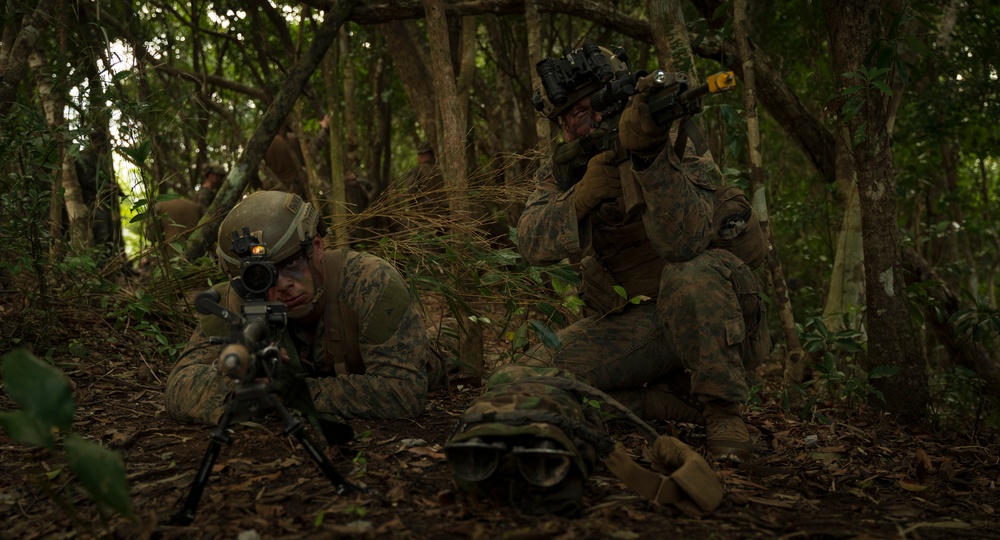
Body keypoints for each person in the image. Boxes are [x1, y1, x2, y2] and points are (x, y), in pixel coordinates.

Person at [515, 44, 768, 462]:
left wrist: (649, 157)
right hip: (638, 320)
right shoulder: (571, 163)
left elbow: (684, 244)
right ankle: (652, 404)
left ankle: (724, 410)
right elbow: (529, 241)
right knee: (521, 380)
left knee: (694, 272)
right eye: (568, 118)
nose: (580, 124)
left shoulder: (673, 135)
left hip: (710, 310)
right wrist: (579, 199)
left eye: (588, 107)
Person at [165, 190, 442, 427]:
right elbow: (179, 385)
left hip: (424, 350)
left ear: (317, 247)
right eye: (264, 276)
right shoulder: (235, 301)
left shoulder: (369, 281)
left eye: (291, 264)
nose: (282, 285)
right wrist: (239, 384)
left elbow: (403, 391)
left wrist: (290, 391)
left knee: (447, 346)